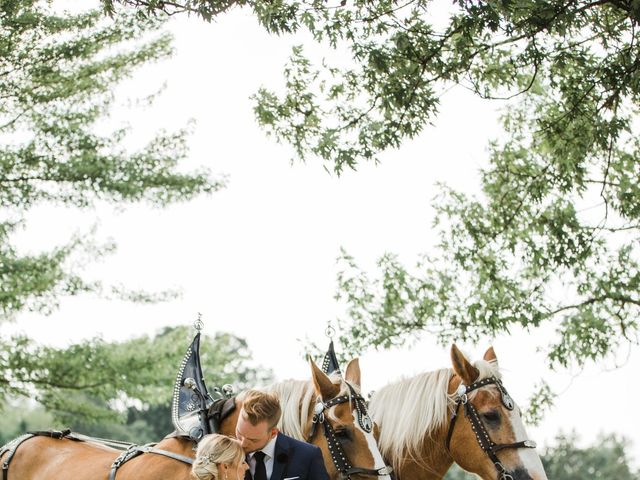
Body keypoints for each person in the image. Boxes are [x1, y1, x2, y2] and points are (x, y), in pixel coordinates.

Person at [235, 389, 329, 480]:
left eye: (253, 440)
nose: (242, 444)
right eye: (239, 433)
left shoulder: (308, 455)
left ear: (273, 433)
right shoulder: (224, 453)